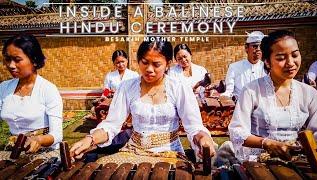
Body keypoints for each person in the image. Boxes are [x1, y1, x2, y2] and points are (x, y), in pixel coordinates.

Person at [70, 38, 217, 165]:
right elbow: (111, 125)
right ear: (138, 60)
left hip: (169, 153)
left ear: (168, 63)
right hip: (133, 151)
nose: (149, 69)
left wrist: (204, 139)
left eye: (156, 64)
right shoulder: (127, 86)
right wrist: (90, 139)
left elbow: (194, 127)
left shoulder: (179, 87)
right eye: (144, 62)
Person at [228, 30, 317, 162]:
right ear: (267, 62)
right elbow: (237, 132)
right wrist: (267, 143)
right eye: (281, 58)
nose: (290, 62)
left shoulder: (309, 93)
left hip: (297, 160)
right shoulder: (251, 91)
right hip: (259, 161)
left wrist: (299, 147)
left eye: (295, 55)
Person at [0, 34, 63, 153]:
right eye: (8, 59)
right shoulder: (4, 88)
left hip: (44, 153)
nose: (11, 65)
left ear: (34, 60)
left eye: (17, 60)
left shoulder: (48, 90)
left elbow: (57, 134)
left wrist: (39, 140)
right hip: (13, 151)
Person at [222, 31, 267, 99]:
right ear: (246, 48)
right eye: (254, 46)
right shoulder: (234, 67)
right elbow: (229, 91)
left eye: (260, 46)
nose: (258, 49)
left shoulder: (267, 68)